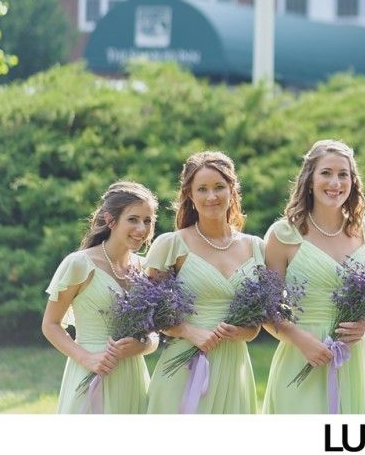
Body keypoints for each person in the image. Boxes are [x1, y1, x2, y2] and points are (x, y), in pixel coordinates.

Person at [263, 140, 365, 414]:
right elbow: (266, 308)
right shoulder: (284, 234)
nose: (335, 182)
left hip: (353, 358)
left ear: (353, 181)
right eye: (326, 173)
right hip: (301, 354)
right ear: (309, 179)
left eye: (343, 175)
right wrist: (301, 340)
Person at [145, 151, 264, 414]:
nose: (212, 197)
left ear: (232, 190)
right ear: (190, 194)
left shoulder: (256, 248)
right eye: (202, 189)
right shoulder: (171, 244)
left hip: (234, 368)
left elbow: (257, 323)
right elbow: (151, 312)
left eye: (219, 187)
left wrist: (243, 332)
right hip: (182, 367)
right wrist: (190, 331)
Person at [42, 181, 158, 413]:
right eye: (133, 219)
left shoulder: (146, 268)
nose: (142, 229)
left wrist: (142, 345)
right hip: (90, 371)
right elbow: (50, 325)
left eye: (147, 221)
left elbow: (154, 333)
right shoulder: (79, 264)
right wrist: (87, 359)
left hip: (132, 377)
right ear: (110, 220)